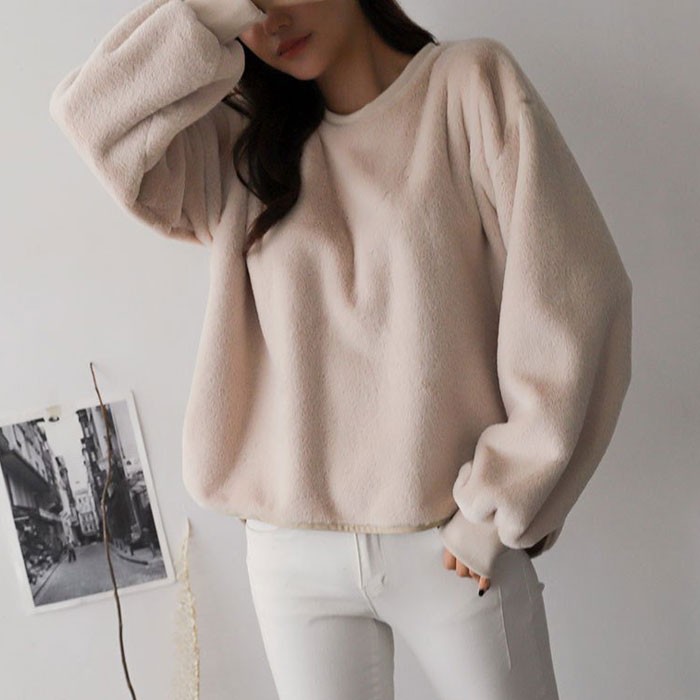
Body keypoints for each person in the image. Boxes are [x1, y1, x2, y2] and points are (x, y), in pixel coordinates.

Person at [49, 1, 632, 698]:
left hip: (453, 542)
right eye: (249, 4)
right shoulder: (240, 143)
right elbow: (92, 118)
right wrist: (209, 15)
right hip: (290, 555)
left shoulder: (468, 86)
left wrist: (497, 506)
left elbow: (575, 298)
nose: (271, 22)